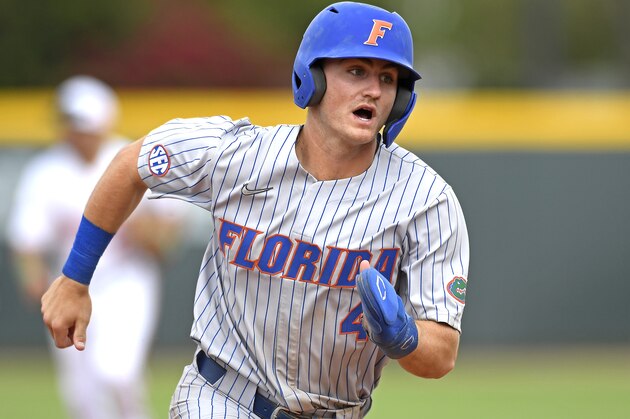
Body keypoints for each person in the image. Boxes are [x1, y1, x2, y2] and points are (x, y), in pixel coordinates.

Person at [40, 2, 470, 418]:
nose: (374, 90)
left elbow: (441, 355)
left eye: (389, 78)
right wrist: (75, 278)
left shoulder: (426, 201)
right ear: (312, 76)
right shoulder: (237, 155)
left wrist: (405, 339)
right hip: (220, 399)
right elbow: (131, 164)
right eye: (356, 71)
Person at [7, 75, 183, 419]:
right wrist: (32, 276)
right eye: (71, 122)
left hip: (127, 281)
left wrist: (152, 237)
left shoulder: (130, 158)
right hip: (71, 283)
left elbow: (169, 221)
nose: (77, 131)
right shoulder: (46, 171)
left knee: (117, 373)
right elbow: (26, 236)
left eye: (84, 123)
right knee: (82, 395)